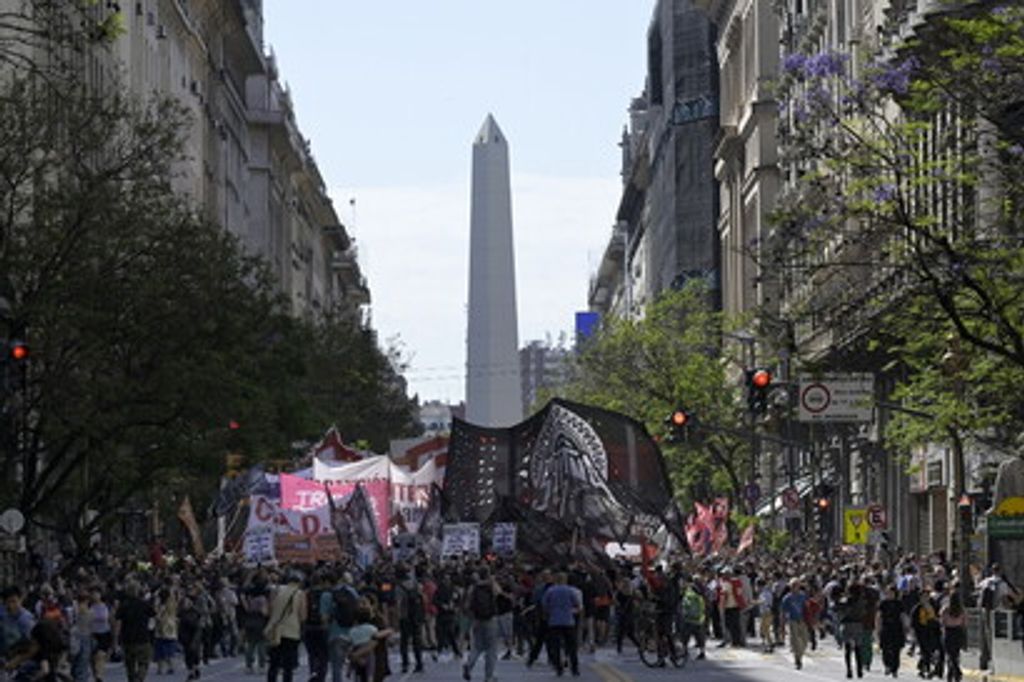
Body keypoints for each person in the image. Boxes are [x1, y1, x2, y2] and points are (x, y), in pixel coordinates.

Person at [265, 571, 308, 682]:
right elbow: (303, 616)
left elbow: (269, 611)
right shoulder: (300, 593)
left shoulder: (275, 590)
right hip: (292, 631)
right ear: (299, 582)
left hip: (275, 630)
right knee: (288, 666)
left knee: (273, 663)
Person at [541, 572, 582, 677]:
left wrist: (549, 612)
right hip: (568, 621)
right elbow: (577, 604)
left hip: (554, 621)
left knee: (556, 646)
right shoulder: (570, 591)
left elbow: (544, 605)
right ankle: (575, 668)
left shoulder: (550, 591)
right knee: (571, 646)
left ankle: (559, 668)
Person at [462, 569, 499, 682]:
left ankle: (469, 665)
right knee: (491, 649)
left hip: (477, 620)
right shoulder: (491, 585)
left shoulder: (473, 588)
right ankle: (488, 676)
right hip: (490, 619)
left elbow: (467, 605)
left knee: (477, 646)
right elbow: (499, 593)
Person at [114, 581, 155, 682]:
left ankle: (132, 679)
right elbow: (153, 614)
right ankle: (139, 678)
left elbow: (117, 621)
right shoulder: (144, 604)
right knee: (144, 662)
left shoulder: (123, 605)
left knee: (130, 665)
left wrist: (116, 639)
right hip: (142, 638)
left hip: (127, 639)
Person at [395, 569, 424, 674]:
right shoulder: (416, 585)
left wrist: (398, 616)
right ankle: (419, 664)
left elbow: (398, 603)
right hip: (416, 616)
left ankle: (405, 664)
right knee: (417, 641)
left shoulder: (399, 587)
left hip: (405, 617)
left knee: (404, 642)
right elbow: (422, 598)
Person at [876, 584, 906, 678]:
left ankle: (895, 669)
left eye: (891, 593)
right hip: (886, 628)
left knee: (896, 649)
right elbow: (879, 616)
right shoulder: (883, 603)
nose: (890, 594)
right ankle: (887, 665)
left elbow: (902, 616)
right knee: (885, 648)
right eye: (888, 593)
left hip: (897, 628)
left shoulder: (899, 603)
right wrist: (878, 628)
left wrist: (906, 627)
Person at [1, 586, 36, 661]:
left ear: (21, 600)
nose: (11, 606)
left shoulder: (26, 620)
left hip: (19, 659)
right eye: (8, 602)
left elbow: (33, 646)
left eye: (14, 601)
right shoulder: (4, 613)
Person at [780, 579, 809, 670]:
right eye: (793, 585)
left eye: (796, 585)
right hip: (792, 620)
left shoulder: (802, 596)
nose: (795, 587)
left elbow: (806, 608)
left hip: (802, 620)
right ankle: (798, 659)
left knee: (805, 641)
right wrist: (782, 626)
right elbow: (783, 612)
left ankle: (799, 655)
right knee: (795, 640)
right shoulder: (787, 598)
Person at [940, 592, 966, 682]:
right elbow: (964, 622)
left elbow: (942, 622)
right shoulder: (961, 610)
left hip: (949, 632)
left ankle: (956, 671)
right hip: (958, 632)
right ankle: (952, 674)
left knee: (950, 655)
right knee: (955, 654)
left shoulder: (946, 609)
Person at [153, 588, 178, 675]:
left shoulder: (161, 606)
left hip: (162, 629)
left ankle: (160, 669)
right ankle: (170, 667)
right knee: (169, 650)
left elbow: (158, 616)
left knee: (160, 650)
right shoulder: (173, 604)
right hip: (171, 630)